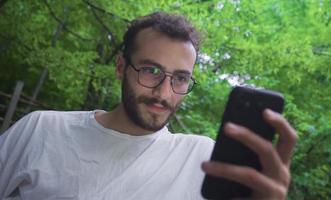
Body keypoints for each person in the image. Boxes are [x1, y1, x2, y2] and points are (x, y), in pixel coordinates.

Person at [0, 12, 297, 199]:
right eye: (151, 71)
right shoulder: (41, 129)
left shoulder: (203, 158)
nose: (164, 93)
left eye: (180, 78)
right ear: (120, 67)